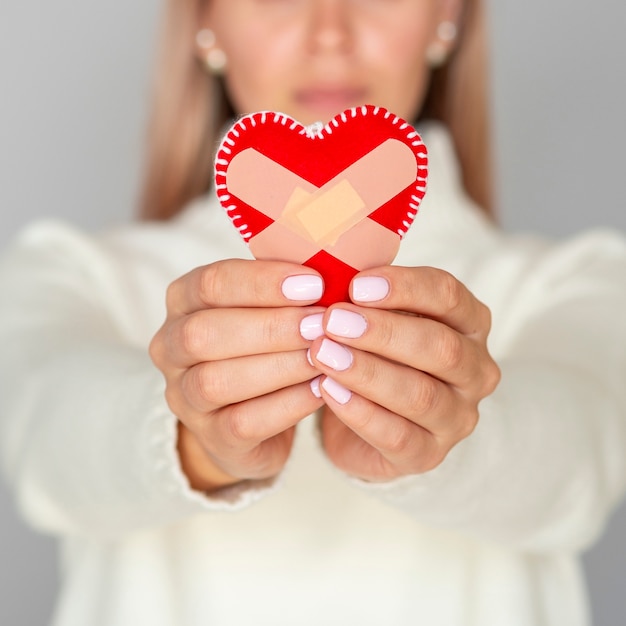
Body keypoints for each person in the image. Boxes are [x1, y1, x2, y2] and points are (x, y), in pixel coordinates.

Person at [1, 1, 626, 625]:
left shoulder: (582, 279)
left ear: (449, 17)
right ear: (203, 22)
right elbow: (47, 446)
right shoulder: (70, 272)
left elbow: (578, 464)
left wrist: (439, 430)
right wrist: (196, 439)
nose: (330, 33)